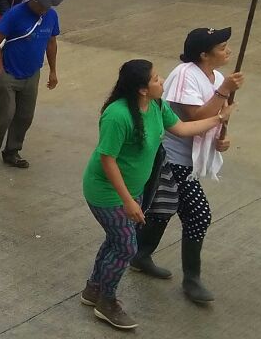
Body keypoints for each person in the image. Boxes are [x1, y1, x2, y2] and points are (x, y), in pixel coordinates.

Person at [81, 60, 233, 330]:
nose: (162, 81)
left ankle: (93, 289)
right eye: (155, 79)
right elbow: (107, 159)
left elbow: (183, 129)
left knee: (116, 240)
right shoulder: (117, 116)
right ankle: (107, 301)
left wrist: (219, 119)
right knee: (126, 247)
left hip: (133, 190)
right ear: (142, 89)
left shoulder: (157, 106)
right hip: (107, 193)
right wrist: (128, 201)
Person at [134, 28, 245, 305]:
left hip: (189, 159)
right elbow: (195, 117)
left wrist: (221, 140)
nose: (228, 51)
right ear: (204, 54)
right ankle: (191, 279)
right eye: (222, 47)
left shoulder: (215, 76)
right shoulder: (186, 74)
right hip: (171, 157)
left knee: (162, 209)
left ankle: (140, 254)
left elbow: (216, 119)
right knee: (198, 215)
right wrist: (224, 91)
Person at [0, 0, 63, 171]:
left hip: (32, 74)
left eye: (48, 4)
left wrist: (53, 71)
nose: (45, 8)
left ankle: (12, 151)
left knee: (25, 116)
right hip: (9, 73)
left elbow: (51, 42)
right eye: (42, 4)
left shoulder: (51, 15)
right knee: (5, 115)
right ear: (31, 0)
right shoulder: (14, 14)